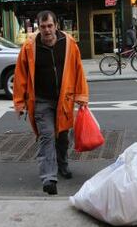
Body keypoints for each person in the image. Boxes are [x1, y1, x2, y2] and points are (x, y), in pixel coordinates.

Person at [13, 10, 89, 195]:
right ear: (38, 27)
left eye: (50, 26)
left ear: (56, 25)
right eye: (43, 27)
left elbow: (78, 70)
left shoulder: (69, 44)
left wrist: (81, 97)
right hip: (40, 101)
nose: (47, 30)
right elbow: (20, 75)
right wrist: (19, 102)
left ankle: (62, 164)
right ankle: (49, 178)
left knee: (62, 136)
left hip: (64, 100)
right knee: (46, 136)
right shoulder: (30, 47)